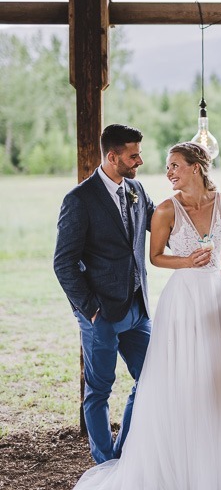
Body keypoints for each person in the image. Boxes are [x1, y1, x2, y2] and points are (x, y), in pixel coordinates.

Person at [58, 141, 221, 490]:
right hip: (181, 303)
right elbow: (154, 257)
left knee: (218, 384)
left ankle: (218, 477)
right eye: (166, 166)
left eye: (175, 165)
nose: (167, 171)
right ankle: (144, 467)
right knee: (171, 385)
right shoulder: (166, 209)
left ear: (197, 166)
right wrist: (186, 262)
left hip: (215, 302)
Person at [53, 124, 155, 464]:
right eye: (133, 155)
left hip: (137, 309)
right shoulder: (79, 199)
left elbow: (162, 224)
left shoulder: (137, 189)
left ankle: (123, 453)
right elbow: (63, 263)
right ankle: (104, 463)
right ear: (112, 157)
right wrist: (90, 309)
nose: (140, 161)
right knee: (98, 390)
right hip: (100, 314)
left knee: (152, 378)